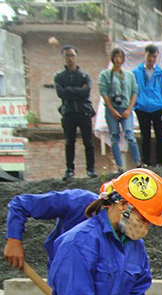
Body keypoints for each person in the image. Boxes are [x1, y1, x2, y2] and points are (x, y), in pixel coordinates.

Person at [4, 185, 106, 272]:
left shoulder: (119, 230)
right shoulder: (76, 202)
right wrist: (13, 240)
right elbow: (20, 204)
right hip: (62, 269)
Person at [54, 45, 97, 181]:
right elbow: (60, 93)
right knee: (69, 142)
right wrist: (77, 91)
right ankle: (69, 170)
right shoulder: (59, 77)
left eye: (72, 55)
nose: (70, 58)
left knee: (88, 142)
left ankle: (90, 169)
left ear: (76, 57)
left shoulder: (84, 76)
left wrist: (69, 90)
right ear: (63, 58)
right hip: (68, 113)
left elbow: (86, 92)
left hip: (84, 112)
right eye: (67, 55)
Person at [99, 48, 141, 171]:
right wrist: (112, 109)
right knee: (114, 137)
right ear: (112, 58)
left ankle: (138, 162)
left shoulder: (129, 75)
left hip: (126, 108)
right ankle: (119, 166)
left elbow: (134, 92)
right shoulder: (105, 74)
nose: (118, 60)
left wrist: (129, 109)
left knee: (129, 135)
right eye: (116, 57)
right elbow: (104, 92)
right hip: (112, 109)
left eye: (120, 57)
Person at [133, 44, 162, 168]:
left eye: (154, 57)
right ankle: (146, 162)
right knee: (145, 137)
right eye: (149, 56)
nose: (151, 59)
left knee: (160, 136)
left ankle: (160, 162)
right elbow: (132, 91)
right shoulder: (136, 73)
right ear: (145, 54)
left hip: (158, 109)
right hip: (142, 108)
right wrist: (135, 106)